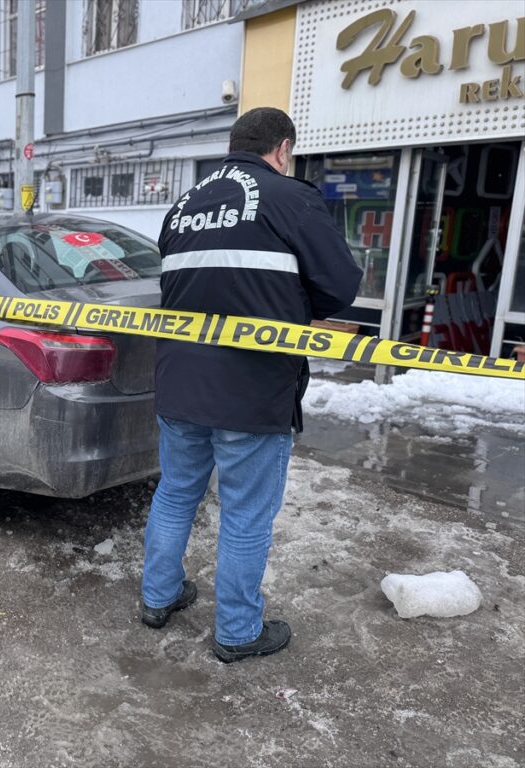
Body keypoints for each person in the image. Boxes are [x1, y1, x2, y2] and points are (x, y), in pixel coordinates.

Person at [141, 107, 362, 663]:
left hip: (180, 384)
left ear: (233, 144)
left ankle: (158, 597)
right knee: (244, 514)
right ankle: (238, 631)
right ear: (282, 149)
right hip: (252, 391)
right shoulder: (291, 199)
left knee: (174, 494)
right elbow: (340, 288)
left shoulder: (185, 204)